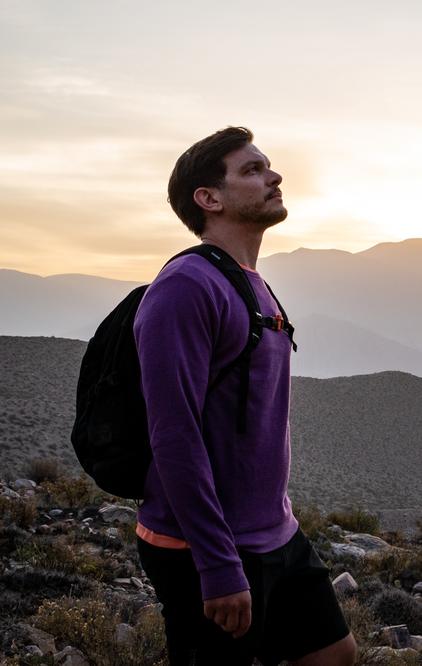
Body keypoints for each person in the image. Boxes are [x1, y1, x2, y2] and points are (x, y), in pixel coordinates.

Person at [133, 126, 356, 665]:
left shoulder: (249, 280)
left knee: (334, 656)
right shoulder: (186, 287)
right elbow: (174, 434)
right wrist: (217, 565)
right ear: (209, 199)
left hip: (275, 534)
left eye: (268, 166)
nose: (273, 176)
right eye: (252, 171)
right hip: (203, 547)